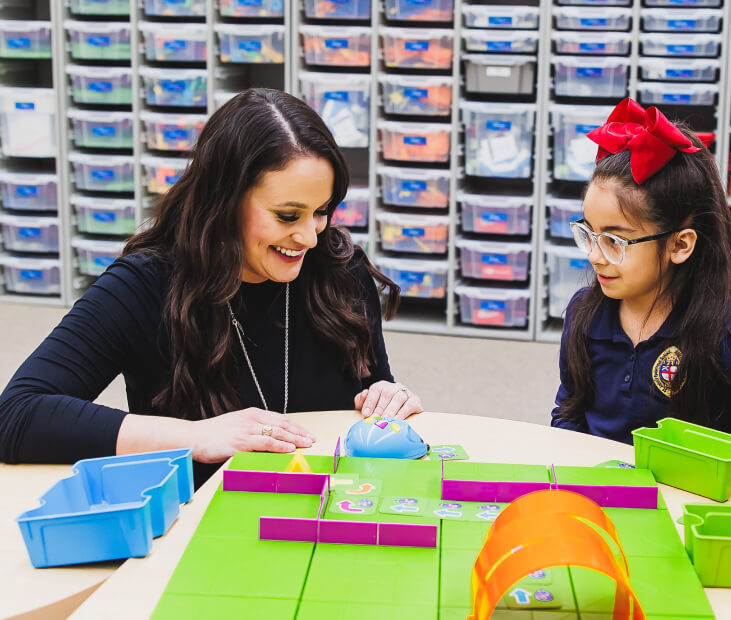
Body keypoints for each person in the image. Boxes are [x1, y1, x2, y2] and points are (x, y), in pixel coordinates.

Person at [0, 88, 423, 486]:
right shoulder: (145, 285)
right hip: (200, 524)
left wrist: (387, 399)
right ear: (224, 201)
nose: (310, 237)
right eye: (287, 216)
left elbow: (373, 396)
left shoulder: (339, 270)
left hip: (331, 512)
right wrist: (195, 436)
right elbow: (16, 415)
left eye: (322, 211)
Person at [550, 98, 731, 498]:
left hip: (688, 515)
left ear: (680, 245)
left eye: (615, 240)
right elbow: (569, 415)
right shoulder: (585, 313)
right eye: (589, 234)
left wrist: (703, 494)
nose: (596, 255)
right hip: (603, 506)